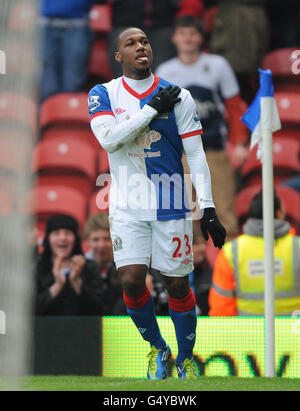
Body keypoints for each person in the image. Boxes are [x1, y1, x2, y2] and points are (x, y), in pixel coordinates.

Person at [88, 26, 226, 379]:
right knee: (132, 280)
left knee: (177, 284)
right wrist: (150, 110)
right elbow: (109, 140)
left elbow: (195, 155)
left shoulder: (179, 96)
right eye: (130, 43)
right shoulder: (103, 94)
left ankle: (186, 359)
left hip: (171, 204)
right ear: (118, 56)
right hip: (126, 205)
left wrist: (208, 209)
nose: (140, 47)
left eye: (145, 41)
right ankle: (158, 349)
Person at [156, 15, 248, 239]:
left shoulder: (217, 65)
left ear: (201, 37)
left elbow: (234, 106)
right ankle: (193, 270)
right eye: (183, 33)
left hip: (213, 151)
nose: (188, 38)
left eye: (193, 33)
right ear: (174, 38)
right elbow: (159, 115)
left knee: (223, 212)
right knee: (184, 217)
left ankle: (226, 268)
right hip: (180, 153)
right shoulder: (165, 71)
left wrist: (239, 143)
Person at [209, 190, 300, 316]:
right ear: (279, 214)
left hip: (248, 333)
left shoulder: (231, 252)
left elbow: (221, 308)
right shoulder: (297, 247)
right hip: (294, 332)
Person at [35, 214, 107, 316]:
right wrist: (57, 286)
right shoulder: (37, 268)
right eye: (56, 233)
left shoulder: (89, 267)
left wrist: (76, 282)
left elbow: (100, 311)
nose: (63, 238)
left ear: (75, 239)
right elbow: (28, 312)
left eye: (68, 233)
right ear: (48, 239)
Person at [39, 0, 94, 102]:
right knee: (47, 87)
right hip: (47, 25)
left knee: (72, 84)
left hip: (77, 24)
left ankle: (69, 117)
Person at [84, 212, 125, 314]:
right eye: (96, 239)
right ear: (87, 241)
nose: (101, 245)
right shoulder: (80, 268)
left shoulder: (125, 266)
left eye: (106, 239)